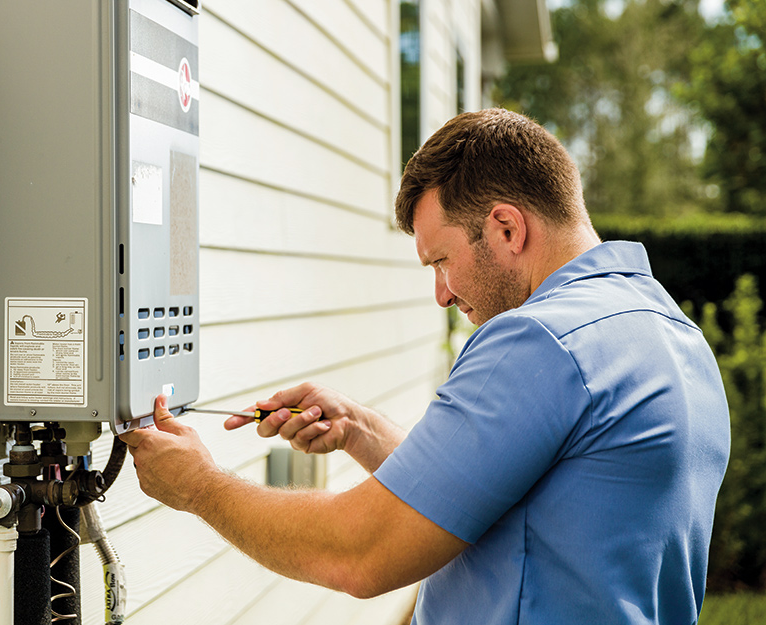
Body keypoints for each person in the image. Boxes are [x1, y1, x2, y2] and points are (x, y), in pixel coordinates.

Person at [120, 108, 731, 624]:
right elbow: (504, 493)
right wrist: (360, 429)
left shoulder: (542, 340)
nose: (442, 293)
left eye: (441, 260)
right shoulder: (667, 334)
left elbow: (360, 552)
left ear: (506, 228)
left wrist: (198, 487)